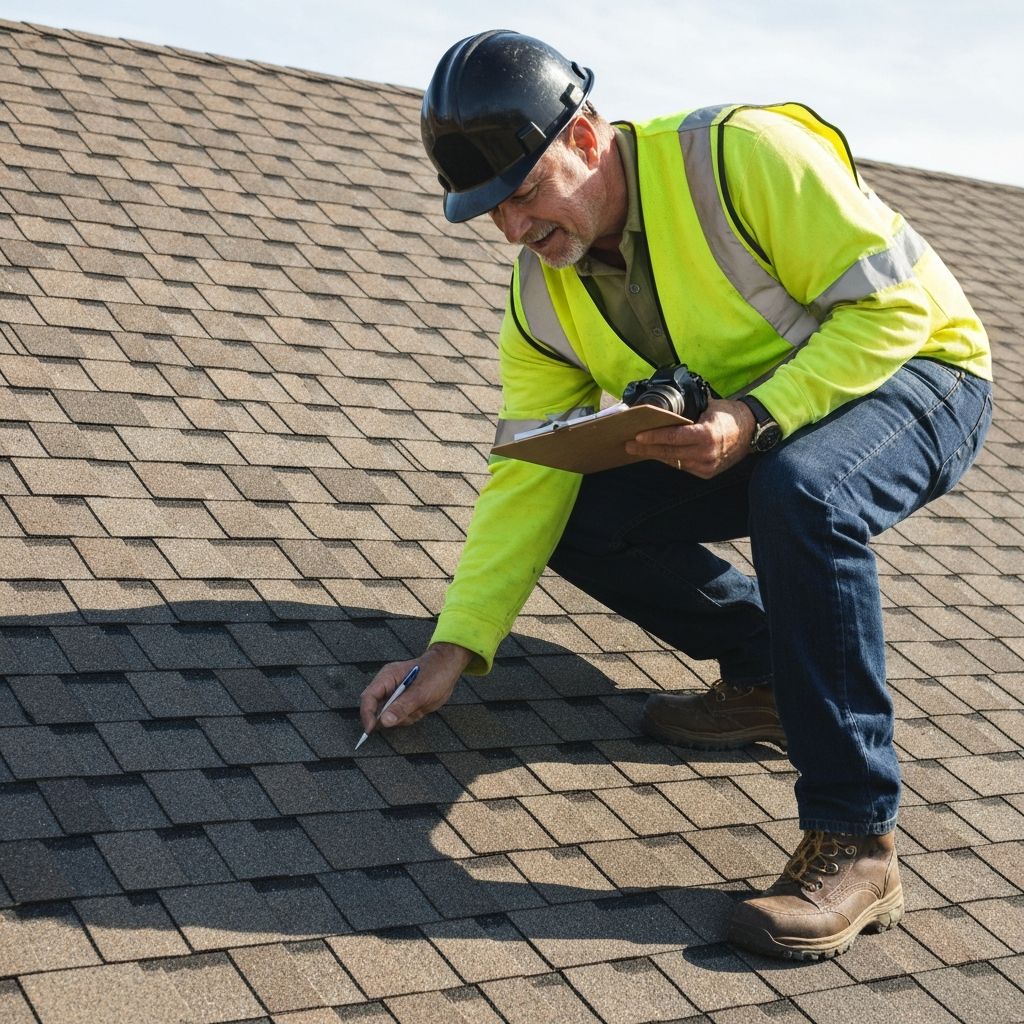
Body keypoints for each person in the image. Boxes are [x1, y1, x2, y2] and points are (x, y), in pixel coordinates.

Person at [359, 29, 992, 960]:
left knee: (804, 493)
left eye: (524, 193)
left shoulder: (742, 157)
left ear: (583, 136)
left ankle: (859, 841)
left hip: (918, 375)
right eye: (488, 211)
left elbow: (894, 307)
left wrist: (756, 416)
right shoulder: (542, 298)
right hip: (762, 420)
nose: (514, 232)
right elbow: (528, 473)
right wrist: (457, 645)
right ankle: (771, 674)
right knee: (574, 504)